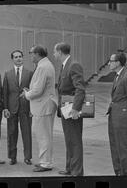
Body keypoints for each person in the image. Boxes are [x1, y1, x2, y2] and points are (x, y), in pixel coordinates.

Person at [22, 45, 57, 172]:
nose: (30, 55)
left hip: (43, 106)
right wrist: (31, 91)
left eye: (31, 53)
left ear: (37, 54)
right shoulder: (46, 64)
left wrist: (27, 94)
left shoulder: (42, 67)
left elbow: (37, 90)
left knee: (43, 136)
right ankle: (45, 161)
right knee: (45, 135)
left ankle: (46, 163)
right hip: (44, 105)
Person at [54, 42, 86, 176]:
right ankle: (70, 168)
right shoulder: (65, 65)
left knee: (75, 141)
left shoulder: (73, 65)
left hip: (71, 109)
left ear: (60, 52)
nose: (54, 54)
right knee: (69, 139)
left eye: (54, 52)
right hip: (65, 108)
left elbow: (80, 88)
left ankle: (77, 172)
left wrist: (75, 109)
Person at [106, 52, 127, 176]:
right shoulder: (118, 75)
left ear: (118, 62)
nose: (109, 63)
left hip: (123, 117)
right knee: (115, 146)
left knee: (123, 147)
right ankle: (119, 172)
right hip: (115, 116)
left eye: (111, 60)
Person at [3, 50, 33, 165]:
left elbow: (32, 91)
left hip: (25, 107)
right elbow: (4, 93)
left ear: (23, 58)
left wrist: (32, 109)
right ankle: (12, 157)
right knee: (11, 133)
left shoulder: (29, 73)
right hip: (11, 108)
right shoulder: (7, 74)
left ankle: (27, 157)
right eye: (16, 57)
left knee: (27, 133)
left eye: (20, 56)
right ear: (12, 59)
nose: (18, 58)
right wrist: (5, 108)